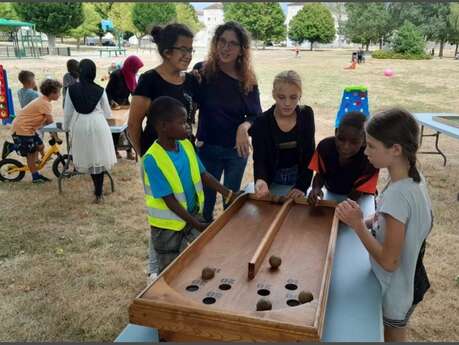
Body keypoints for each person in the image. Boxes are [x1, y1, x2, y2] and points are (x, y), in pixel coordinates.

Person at [335, 108, 433, 342]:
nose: (365, 151)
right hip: (407, 280)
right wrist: (368, 220)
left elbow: (389, 261)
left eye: (371, 146)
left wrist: (358, 225)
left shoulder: (398, 196)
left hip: (396, 291)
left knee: (392, 335)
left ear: (395, 149)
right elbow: (394, 223)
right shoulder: (411, 178)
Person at [127, 23, 199, 281]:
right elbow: (133, 124)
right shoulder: (149, 81)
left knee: (185, 208)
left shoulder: (191, 80)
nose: (189, 55)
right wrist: (144, 158)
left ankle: (181, 265)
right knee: (163, 218)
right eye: (183, 49)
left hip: (183, 157)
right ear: (167, 51)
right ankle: (156, 271)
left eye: (191, 49)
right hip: (158, 160)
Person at [143, 96, 240, 272]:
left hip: (192, 215)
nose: (188, 125)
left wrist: (229, 194)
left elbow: (203, 175)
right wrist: (196, 224)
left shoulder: (186, 145)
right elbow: (169, 200)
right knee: (171, 270)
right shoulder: (152, 159)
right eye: (182, 122)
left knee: (207, 254)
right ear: (164, 126)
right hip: (168, 227)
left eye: (187, 120)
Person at [193, 21, 262, 222]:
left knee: (230, 203)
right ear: (215, 43)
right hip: (207, 148)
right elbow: (190, 104)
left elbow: (257, 115)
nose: (226, 47)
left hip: (235, 152)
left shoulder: (246, 79)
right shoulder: (202, 71)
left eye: (233, 43)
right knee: (204, 203)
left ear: (242, 50)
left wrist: (244, 125)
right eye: (222, 41)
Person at [250, 70, 315, 199]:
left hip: (298, 178)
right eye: (281, 97)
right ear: (274, 95)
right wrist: (261, 180)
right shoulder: (261, 122)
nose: (287, 103)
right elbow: (260, 158)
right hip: (272, 179)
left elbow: (309, 154)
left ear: (300, 95)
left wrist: (302, 186)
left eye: (293, 97)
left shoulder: (306, 114)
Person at [64, 59, 117, 203]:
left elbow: (67, 112)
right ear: (93, 72)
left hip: (80, 124)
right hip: (98, 125)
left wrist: (65, 127)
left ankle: (98, 191)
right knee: (98, 160)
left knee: (88, 158)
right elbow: (107, 113)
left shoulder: (71, 89)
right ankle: (99, 192)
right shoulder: (100, 90)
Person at [307, 111, 379, 205]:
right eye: (341, 139)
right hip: (332, 193)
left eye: (354, 142)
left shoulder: (371, 159)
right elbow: (320, 174)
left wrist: (342, 208)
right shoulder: (325, 147)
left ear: (364, 141)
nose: (346, 146)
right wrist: (316, 189)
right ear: (336, 132)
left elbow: (357, 192)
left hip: (362, 198)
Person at [4, 79, 62, 183]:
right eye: (58, 92)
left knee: (40, 146)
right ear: (51, 93)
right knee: (30, 154)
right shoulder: (45, 103)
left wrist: (53, 134)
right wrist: (56, 137)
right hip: (22, 129)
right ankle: (36, 177)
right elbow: (50, 123)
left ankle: (34, 164)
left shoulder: (44, 100)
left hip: (28, 128)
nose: (59, 94)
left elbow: (47, 122)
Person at [106, 55, 144, 160]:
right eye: (136, 68)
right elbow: (107, 92)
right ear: (130, 66)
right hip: (115, 107)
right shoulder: (116, 75)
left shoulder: (131, 75)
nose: (137, 70)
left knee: (128, 129)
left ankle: (129, 151)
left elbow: (134, 91)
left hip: (125, 105)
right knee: (116, 131)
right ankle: (114, 151)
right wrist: (112, 102)